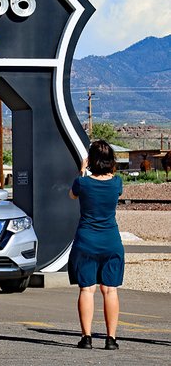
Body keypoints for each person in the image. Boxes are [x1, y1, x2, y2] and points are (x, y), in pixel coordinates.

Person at [68, 140, 124, 351]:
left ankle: (87, 337)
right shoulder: (117, 183)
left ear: (91, 160)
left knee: (87, 289)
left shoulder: (82, 183)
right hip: (111, 241)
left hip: (86, 241)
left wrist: (82, 171)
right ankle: (111, 338)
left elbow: (72, 195)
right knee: (110, 290)